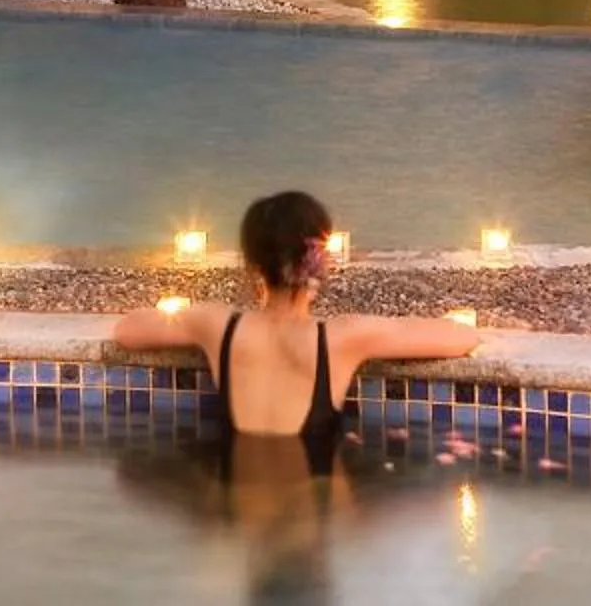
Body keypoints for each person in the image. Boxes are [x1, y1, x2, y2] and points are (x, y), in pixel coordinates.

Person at [111, 190, 479, 476]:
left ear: (253, 265)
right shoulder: (344, 336)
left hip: (239, 517)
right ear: (321, 260)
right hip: (312, 518)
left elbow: (128, 330)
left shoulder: (216, 325)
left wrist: (178, 313)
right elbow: (460, 338)